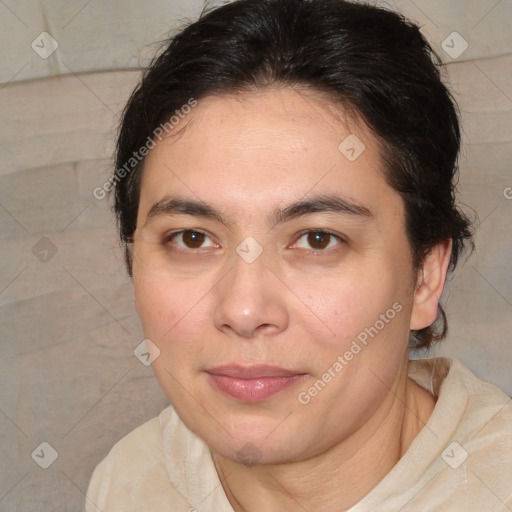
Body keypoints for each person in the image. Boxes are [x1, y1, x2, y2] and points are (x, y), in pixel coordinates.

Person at [86, 0, 512, 510]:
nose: (243, 310)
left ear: (424, 275)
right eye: (193, 238)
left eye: (317, 239)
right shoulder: (131, 481)